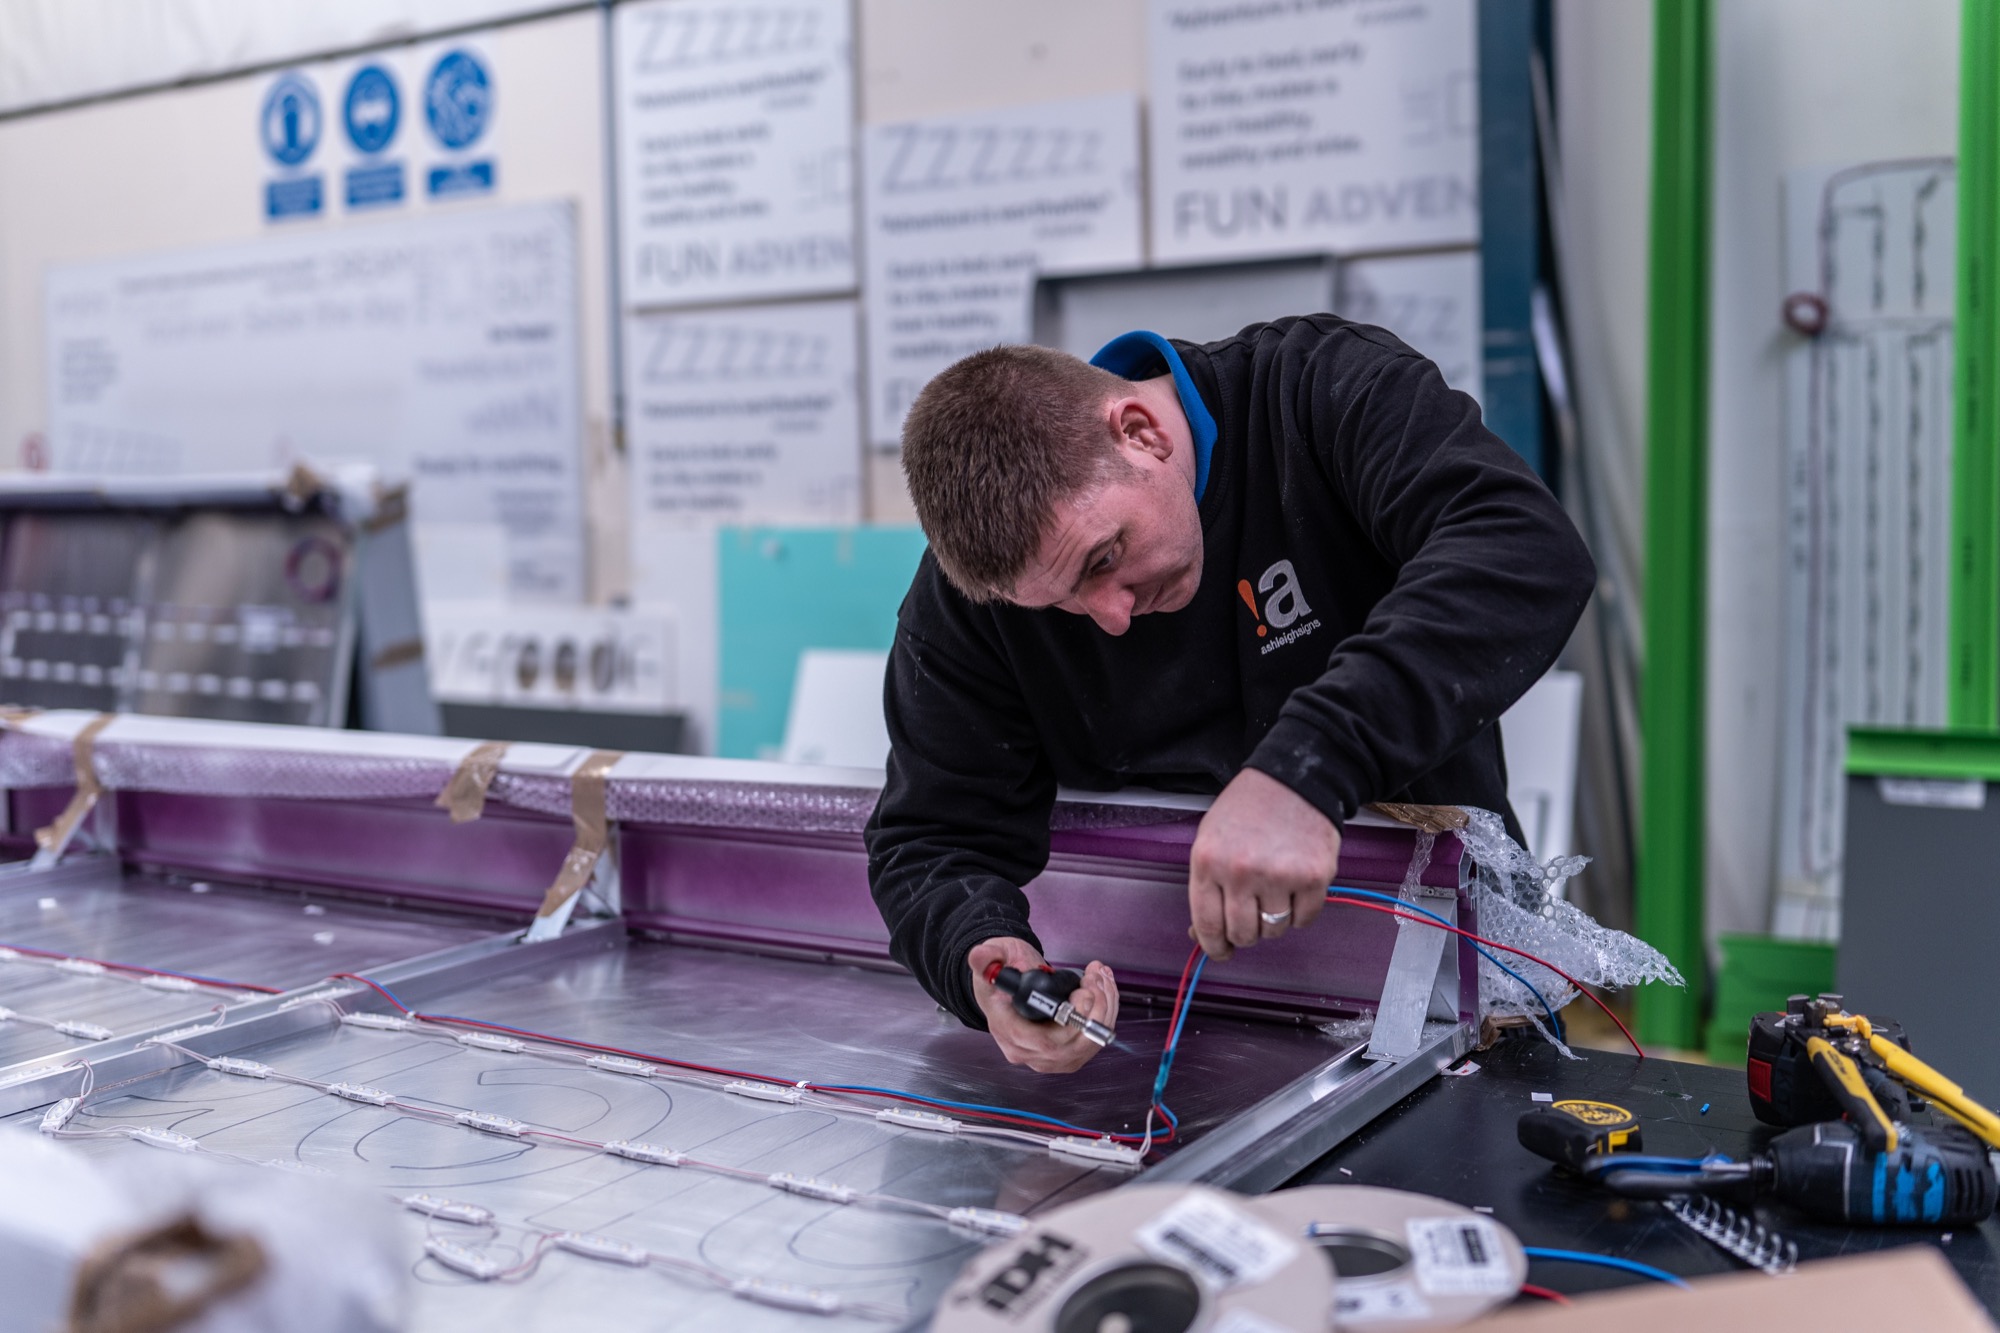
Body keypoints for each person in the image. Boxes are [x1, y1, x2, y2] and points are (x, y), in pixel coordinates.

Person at [864, 315, 1595, 1074]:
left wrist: (1305, 769)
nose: (1109, 617)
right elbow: (932, 840)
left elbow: (1523, 547)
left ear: (1141, 431)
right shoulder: (974, 601)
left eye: (1103, 559)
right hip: (1161, 1035)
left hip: (1452, 1000)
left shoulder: (1320, 390)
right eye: (1063, 605)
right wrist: (983, 959)